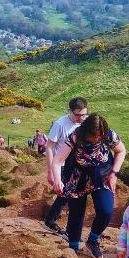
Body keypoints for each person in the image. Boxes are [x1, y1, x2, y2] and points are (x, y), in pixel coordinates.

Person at [51, 114, 126, 258]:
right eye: (93, 136)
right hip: (78, 176)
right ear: (86, 132)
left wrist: (114, 173)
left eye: (99, 136)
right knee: (76, 213)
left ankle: (93, 240)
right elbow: (58, 160)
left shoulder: (109, 135)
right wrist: (58, 179)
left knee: (106, 210)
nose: (97, 139)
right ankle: (73, 249)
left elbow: (121, 151)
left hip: (101, 175)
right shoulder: (76, 136)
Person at [44, 97, 89, 238]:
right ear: (69, 111)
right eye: (77, 115)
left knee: (66, 195)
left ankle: (52, 222)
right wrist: (51, 170)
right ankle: (60, 226)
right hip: (62, 165)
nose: (80, 118)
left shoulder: (85, 123)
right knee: (66, 194)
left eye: (83, 115)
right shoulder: (60, 124)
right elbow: (50, 147)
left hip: (79, 165)